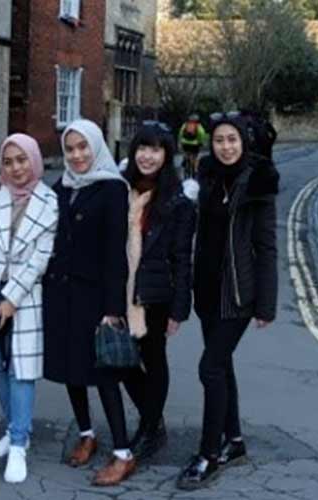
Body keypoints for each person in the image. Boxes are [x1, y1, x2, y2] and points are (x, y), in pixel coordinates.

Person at [175, 115, 279, 490]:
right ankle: (233, 441)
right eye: (219, 140)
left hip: (237, 292)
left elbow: (266, 246)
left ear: (243, 142)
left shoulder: (258, 182)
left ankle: (208, 454)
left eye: (232, 139)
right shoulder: (207, 175)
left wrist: (266, 304)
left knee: (210, 368)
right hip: (206, 289)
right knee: (222, 365)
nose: (226, 147)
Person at [41, 119, 135, 487]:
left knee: (104, 376)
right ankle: (86, 433)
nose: (77, 155)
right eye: (70, 148)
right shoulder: (61, 188)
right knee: (70, 371)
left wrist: (113, 309)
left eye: (83, 147)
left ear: (96, 148)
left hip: (95, 298)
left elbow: (116, 254)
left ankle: (124, 453)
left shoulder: (112, 189)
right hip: (61, 294)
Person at [0, 133, 59, 484]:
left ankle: (20, 442)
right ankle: (12, 429)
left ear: (33, 160)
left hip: (25, 295)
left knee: (21, 367)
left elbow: (40, 258)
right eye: (9, 161)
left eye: (22, 160)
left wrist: (11, 298)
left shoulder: (49, 202)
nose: (16, 167)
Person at [118, 124, 197, 462]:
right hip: (120, 291)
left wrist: (180, 308)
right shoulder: (120, 191)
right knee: (120, 363)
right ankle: (155, 423)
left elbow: (183, 257)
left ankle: (149, 429)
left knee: (153, 359)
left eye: (156, 149)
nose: (147, 156)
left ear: (167, 156)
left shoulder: (178, 201)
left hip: (155, 294)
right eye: (142, 148)